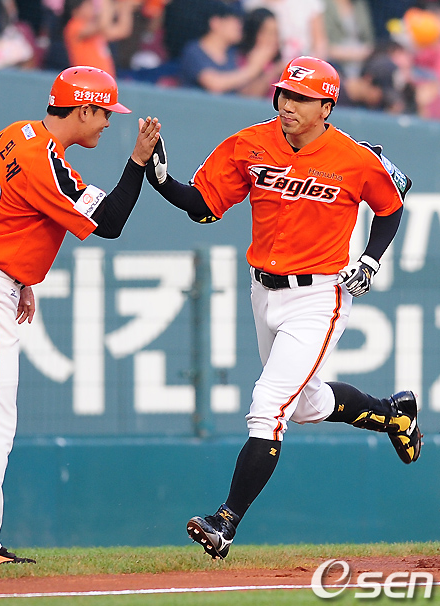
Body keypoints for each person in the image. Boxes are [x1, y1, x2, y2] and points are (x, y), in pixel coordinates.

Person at [145, 55, 421, 560]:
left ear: (326, 107)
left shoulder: (353, 157)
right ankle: (393, 415)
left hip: (319, 295)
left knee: (268, 406)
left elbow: (390, 205)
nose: (288, 104)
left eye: (302, 98)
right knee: (307, 404)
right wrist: (163, 182)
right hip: (263, 290)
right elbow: (205, 205)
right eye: (285, 94)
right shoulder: (251, 143)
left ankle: (225, 522)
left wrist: (370, 260)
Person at [0, 66, 160, 565]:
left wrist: (22, 278)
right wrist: (137, 162)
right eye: (104, 113)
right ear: (82, 109)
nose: (108, 122)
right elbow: (110, 223)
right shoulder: (44, 160)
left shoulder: (17, 134)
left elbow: (9, 213)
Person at [179, 1, 273, 94]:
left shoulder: (233, 54)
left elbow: (245, 94)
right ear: (215, 22)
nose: (239, 25)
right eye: (234, 20)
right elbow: (215, 84)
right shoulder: (194, 51)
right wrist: (252, 69)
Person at [63, 0, 139, 76]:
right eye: (88, 6)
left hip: (103, 77)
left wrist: (125, 9)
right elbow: (102, 25)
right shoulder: (74, 26)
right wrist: (107, 3)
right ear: (76, 10)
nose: (93, 9)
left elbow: (122, 31)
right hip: (87, 77)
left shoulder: (93, 30)